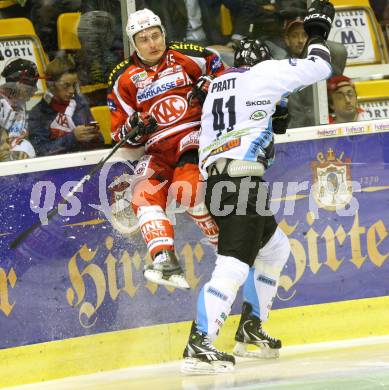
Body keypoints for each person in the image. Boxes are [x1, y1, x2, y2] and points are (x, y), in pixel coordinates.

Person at [181, 0, 335, 374]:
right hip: (240, 180)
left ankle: (251, 328)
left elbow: (264, 120)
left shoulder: (218, 85)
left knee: (275, 248)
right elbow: (321, 66)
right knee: (233, 264)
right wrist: (317, 31)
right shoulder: (265, 73)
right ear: (264, 61)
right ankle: (199, 343)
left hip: (221, 181)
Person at [109, 8, 225, 290]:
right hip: (158, 150)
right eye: (144, 39)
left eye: (156, 35)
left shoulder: (191, 56)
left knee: (188, 192)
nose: (153, 44)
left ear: (164, 33)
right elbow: (119, 135)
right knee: (142, 192)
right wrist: (135, 128)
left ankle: (226, 249)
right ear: (134, 44)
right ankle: (164, 260)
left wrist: (211, 83)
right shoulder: (123, 78)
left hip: (194, 138)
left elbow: (227, 74)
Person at [28, 55, 104, 156]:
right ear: (50, 85)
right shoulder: (38, 114)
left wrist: (94, 135)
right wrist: (73, 137)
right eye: (66, 85)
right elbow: (40, 151)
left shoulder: (80, 105)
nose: (72, 91)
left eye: (74, 85)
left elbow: (100, 141)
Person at [0, 58, 38, 162]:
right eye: (32, 83)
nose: (35, 89)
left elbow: (22, 134)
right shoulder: (2, 103)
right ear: (18, 84)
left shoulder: (20, 103)